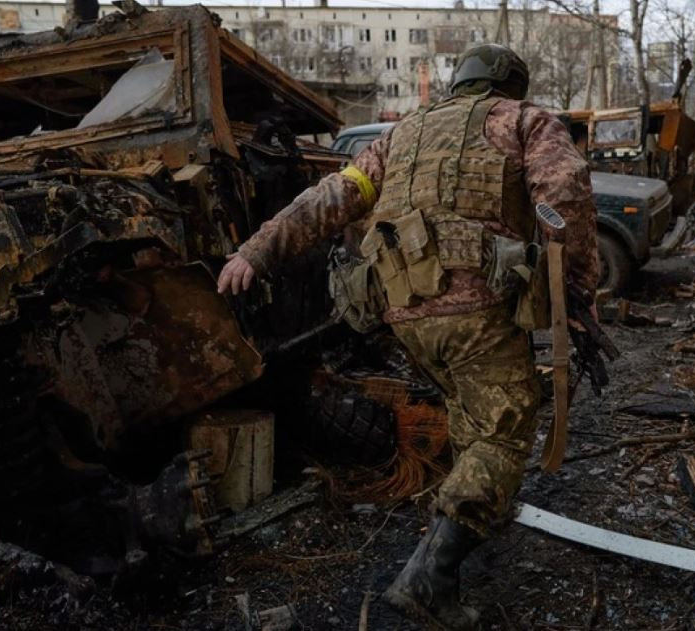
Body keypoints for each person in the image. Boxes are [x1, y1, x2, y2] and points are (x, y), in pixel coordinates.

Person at [218, 43, 599, 630]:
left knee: (471, 413)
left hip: (403, 311)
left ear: (459, 82)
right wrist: (575, 292)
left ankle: (470, 516)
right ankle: (428, 579)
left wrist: (257, 249)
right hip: (477, 307)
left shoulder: (400, 136)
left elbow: (333, 197)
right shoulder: (523, 120)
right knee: (505, 429)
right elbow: (565, 193)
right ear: (510, 84)